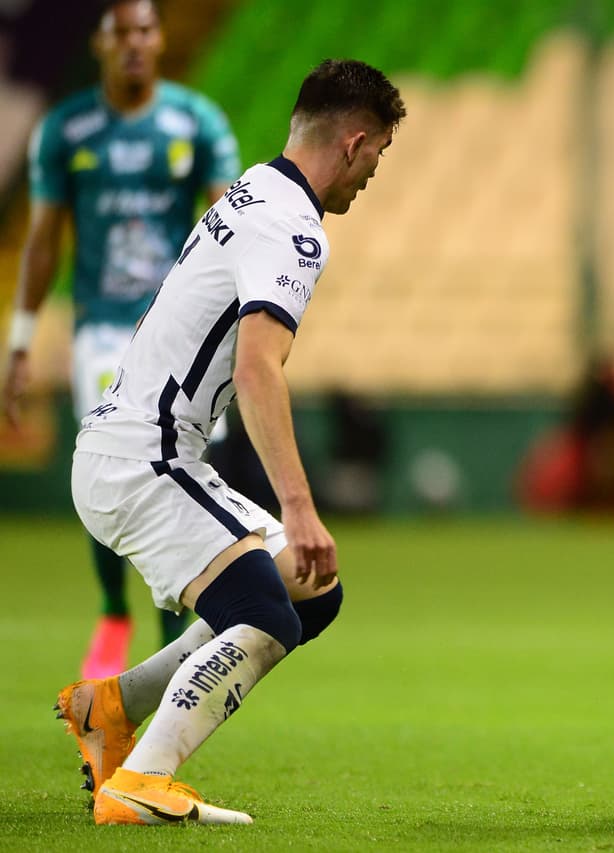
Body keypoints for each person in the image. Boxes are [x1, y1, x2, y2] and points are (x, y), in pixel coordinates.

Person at [54, 57, 405, 825]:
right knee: (269, 614)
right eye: (379, 150)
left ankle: (110, 708)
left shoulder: (256, 187)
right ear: (353, 141)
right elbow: (257, 370)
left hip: (137, 447)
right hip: (144, 459)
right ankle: (142, 779)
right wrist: (300, 505)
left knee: (310, 595)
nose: (375, 170)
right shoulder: (294, 229)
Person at [2, 0, 241, 679]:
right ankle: (114, 607)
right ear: (101, 44)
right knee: (112, 461)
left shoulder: (195, 122)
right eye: (121, 33)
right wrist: (21, 340)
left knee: (184, 470)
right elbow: (44, 240)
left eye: (146, 30)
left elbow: (225, 223)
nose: (136, 43)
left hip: (172, 329)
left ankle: (171, 633)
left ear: (160, 40)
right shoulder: (68, 128)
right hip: (103, 328)